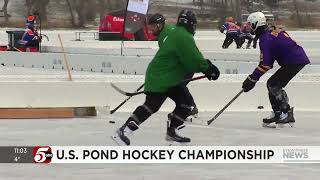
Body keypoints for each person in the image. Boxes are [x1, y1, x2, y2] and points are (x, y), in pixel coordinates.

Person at [112, 9, 220, 145]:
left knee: (185, 102)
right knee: (152, 105)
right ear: (191, 24)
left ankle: (172, 132)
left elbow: (187, 56)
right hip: (162, 77)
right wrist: (209, 69)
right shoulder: (183, 36)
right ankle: (123, 131)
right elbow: (194, 59)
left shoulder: (173, 31)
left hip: (168, 78)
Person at [241, 12, 310, 128]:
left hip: (294, 60)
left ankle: (286, 113)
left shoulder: (265, 39)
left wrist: (251, 79)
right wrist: (253, 78)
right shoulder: (269, 33)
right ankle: (278, 113)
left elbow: (266, 64)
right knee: (272, 83)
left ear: (256, 24)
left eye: (250, 24)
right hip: (296, 59)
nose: (248, 27)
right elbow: (269, 61)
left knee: (273, 84)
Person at [148, 13, 199, 119]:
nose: (151, 30)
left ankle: (190, 108)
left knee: (177, 85)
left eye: (152, 27)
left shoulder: (166, 35)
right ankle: (189, 107)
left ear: (159, 25)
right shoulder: (164, 33)